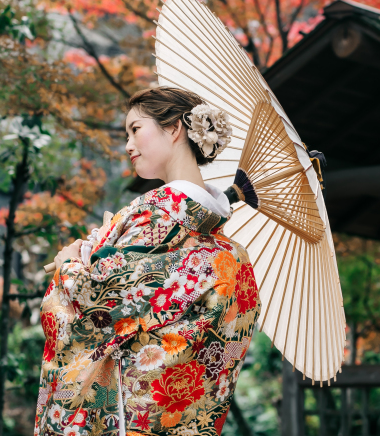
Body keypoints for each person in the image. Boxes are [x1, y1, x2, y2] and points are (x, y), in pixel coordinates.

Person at [34, 87, 260, 436]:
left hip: (123, 418)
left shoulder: (153, 216)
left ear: (174, 129)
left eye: (135, 130)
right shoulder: (233, 256)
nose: (128, 145)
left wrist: (69, 267)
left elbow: (100, 304)